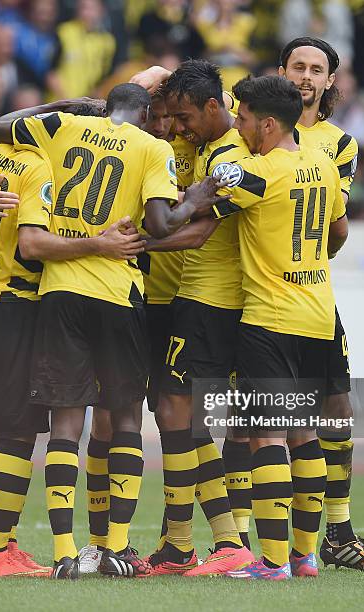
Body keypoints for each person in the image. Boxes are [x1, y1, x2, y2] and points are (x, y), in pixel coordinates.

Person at [0, 82, 223, 578]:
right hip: (117, 294)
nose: (161, 127)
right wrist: (195, 198)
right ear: (141, 115)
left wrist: (63, 106)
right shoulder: (151, 147)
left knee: (65, 424)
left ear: (104, 108)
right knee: (126, 420)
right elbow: (159, 224)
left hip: (60, 293)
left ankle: (65, 552)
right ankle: (115, 547)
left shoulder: (61, 127)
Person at [0, 99, 144, 578]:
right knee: (17, 432)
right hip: (14, 306)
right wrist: (100, 243)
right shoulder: (42, 166)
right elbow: (33, 245)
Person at [212, 74, 347, 580]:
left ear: (267, 124)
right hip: (318, 314)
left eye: (243, 119)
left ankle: (270, 562)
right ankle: (304, 557)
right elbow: (339, 230)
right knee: (304, 433)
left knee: (265, 437)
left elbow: (203, 204)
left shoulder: (259, 172)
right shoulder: (325, 165)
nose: (238, 126)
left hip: (268, 317)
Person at [278, 36, 364, 572]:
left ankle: (338, 530)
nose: (306, 76)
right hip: (251, 297)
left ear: (330, 81)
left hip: (311, 296)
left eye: (316, 69)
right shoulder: (250, 129)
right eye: (298, 66)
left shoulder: (340, 145)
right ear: (281, 72)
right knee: (247, 415)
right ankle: (231, 536)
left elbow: (331, 231)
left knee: (336, 408)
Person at [135, 60, 254, 577]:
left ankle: (221, 543)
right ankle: (182, 543)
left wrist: (127, 244)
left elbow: (202, 233)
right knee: (174, 418)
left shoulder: (229, 156)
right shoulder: (197, 146)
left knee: (182, 417)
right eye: (167, 115)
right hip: (186, 298)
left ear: (213, 107)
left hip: (211, 301)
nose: (174, 126)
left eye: (181, 116)